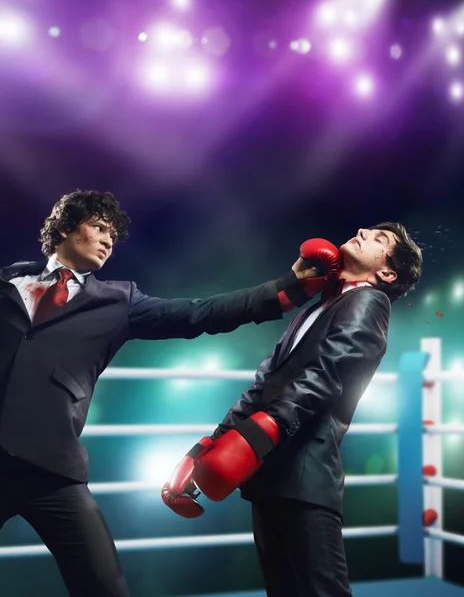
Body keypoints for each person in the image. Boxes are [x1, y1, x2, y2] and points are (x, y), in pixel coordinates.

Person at [0, 189, 338, 597]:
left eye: (112, 237)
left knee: (104, 588)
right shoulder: (10, 282)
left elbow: (200, 314)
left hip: (51, 470)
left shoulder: (119, 300)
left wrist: (288, 290)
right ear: (64, 227)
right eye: (98, 228)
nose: (107, 241)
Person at [163, 222, 423, 597]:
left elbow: (327, 374)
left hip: (305, 475)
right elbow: (262, 387)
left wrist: (257, 435)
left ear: (386, 272)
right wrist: (206, 447)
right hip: (269, 472)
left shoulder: (370, 301)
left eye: (379, 239)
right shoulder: (316, 308)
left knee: (323, 591)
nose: (364, 230)